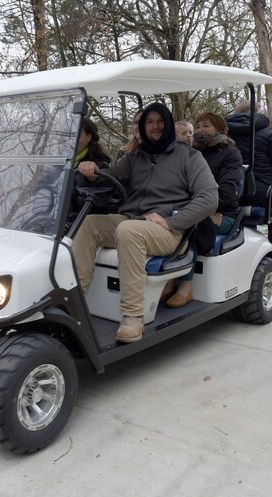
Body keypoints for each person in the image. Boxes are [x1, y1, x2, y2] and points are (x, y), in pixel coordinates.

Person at [74, 102, 218, 343]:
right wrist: (91, 173)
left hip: (169, 231)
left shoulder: (189, 156)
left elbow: (209, 197)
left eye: (160, 121)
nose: (155, 126)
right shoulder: (136, 156)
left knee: (129, 230)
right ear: (142, 126)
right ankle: (75, 307)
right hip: (134, 220)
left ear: (169, 124)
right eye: (149, 122)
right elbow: (110, 178)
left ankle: (133, 316)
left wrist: (173, 221)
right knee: (90, 224)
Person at [164, 112, 243, 308]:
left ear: (220, 128)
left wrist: (194, 206)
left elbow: (226, 194)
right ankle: (165, 279)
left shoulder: (230, 153)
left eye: (206, 126)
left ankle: (185, 287)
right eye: (197, 126)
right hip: (194, 209)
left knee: (191, 224)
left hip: (224, 214)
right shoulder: (192, 152)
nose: (199, 130)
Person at [226, 100, 272, 255]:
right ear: (257, 112)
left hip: (233, 194)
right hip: (262, 194)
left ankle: (246, 247)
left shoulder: (225, 133)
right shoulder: (268, 133)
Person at [29, 118, 110, 230]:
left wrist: (92, 177)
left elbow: (101, 194)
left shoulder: (99, 164)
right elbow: (43, 189)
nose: (72, 140)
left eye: (78, 135)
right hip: (50, 224)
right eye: (69, 136)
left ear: (89, 137)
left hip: (78, 225)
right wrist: (41, 216)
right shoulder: (57, 162)